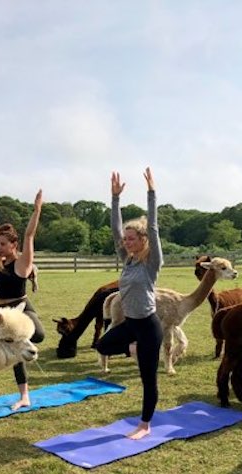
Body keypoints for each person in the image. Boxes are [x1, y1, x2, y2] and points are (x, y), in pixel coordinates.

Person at [95, 167, 164, 440]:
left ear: (142, 240)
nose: (126, 241)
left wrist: (151, 192)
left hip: (148, 326)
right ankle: (132, 347)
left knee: (149, 379)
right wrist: (114, 199)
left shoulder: (151, 263)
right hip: (130, 325)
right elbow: (114, 230)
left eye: (131, 238)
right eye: (125, 239)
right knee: (103, 345)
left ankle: (145, 425)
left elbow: (155, 227)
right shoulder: (128, 259)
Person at [0, 189, 46, 410]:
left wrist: (37, 210)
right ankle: (24, 396)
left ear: (13, 245)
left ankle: (26, 344)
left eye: (3, 244)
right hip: (3, 313)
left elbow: (29, 235)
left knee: (38, 335)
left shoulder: (21, 264)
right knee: (14, 350)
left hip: (21, 308)